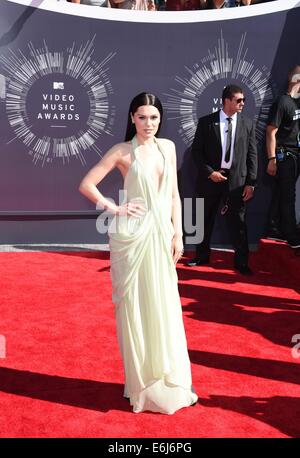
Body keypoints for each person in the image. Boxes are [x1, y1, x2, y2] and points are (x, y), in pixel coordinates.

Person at [79, 93, 198, 414]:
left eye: (154, 118)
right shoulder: (121, 152)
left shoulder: (168, 147)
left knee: (165, 305)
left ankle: (169, 378)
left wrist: (180, 233)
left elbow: (174, 193)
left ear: (160, 119)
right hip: (133, 239)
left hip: (161, 237)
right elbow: (87, 184)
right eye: (143, 117)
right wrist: (115, 208)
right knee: (137, 309)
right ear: (132, 117)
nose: (149, 124)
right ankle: (141, 384)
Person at [186, 84, 258, 275]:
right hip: (211, 179)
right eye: (239, 100)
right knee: (205, 218)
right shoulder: (206, 123)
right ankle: (201, 256)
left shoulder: (248, 124)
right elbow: (197, 152)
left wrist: (251, 182)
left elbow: (252, 155)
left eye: (243, 100)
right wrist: (210, 172)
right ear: (226, 101)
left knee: (239, 222)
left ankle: (241, 262)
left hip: (237, 182)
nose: (242, 103)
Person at [266, 65, 300, 249]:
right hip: (284, 155)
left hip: (296, 154)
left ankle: (274, 227)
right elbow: (271, 131)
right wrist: (272, 159)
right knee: (288, 195)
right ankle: (291, 235)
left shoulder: (298, 102)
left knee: (282, 193)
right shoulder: (282, 102)